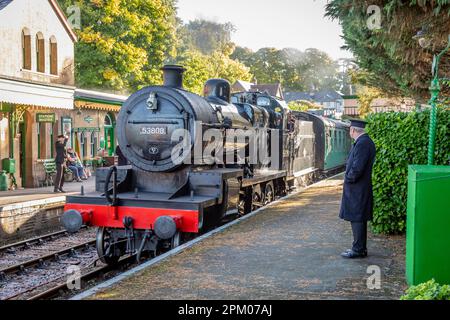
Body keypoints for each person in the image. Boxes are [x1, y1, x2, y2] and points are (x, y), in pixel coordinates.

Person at [340, 119, 376, 259]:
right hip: (358, 188)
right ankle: (359, 247)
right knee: (357, 218)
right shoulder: (364, 142)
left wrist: (349, 179)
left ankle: (358, 250)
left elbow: (357, 167)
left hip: (357, 188)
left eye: (350, 129)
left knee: (357, 218)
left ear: (353, 130)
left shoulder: (363, 144)